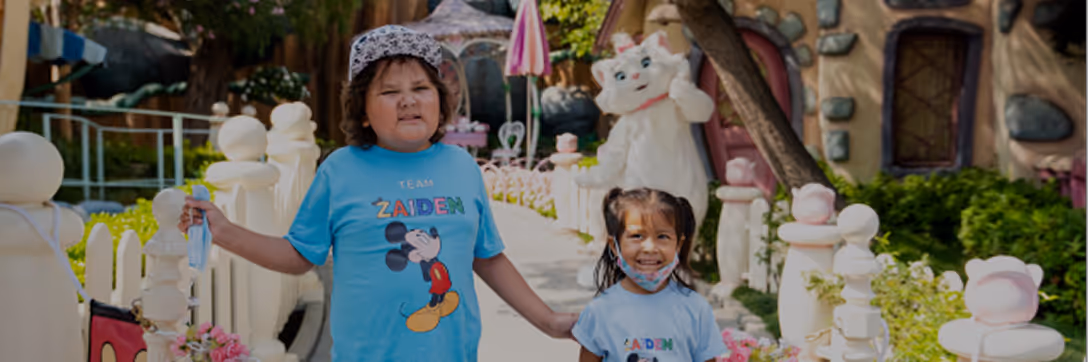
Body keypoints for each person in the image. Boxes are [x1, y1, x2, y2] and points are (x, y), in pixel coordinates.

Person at [178, 25, 577, 361]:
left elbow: (487, 257)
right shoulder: (341, 170)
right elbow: (300, 254)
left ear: (440, 99)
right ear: (363, 111)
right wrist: (224, 231)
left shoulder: (461, 167)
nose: (408, 100)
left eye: (421, 87)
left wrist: (548, 320)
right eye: (388, 92)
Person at [572, 187, 729, 362]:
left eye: (662, 236)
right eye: (637, 236)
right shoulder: (599, 312)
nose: (650, 247)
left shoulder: (696, 309)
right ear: (615, 246)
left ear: (678, 245)